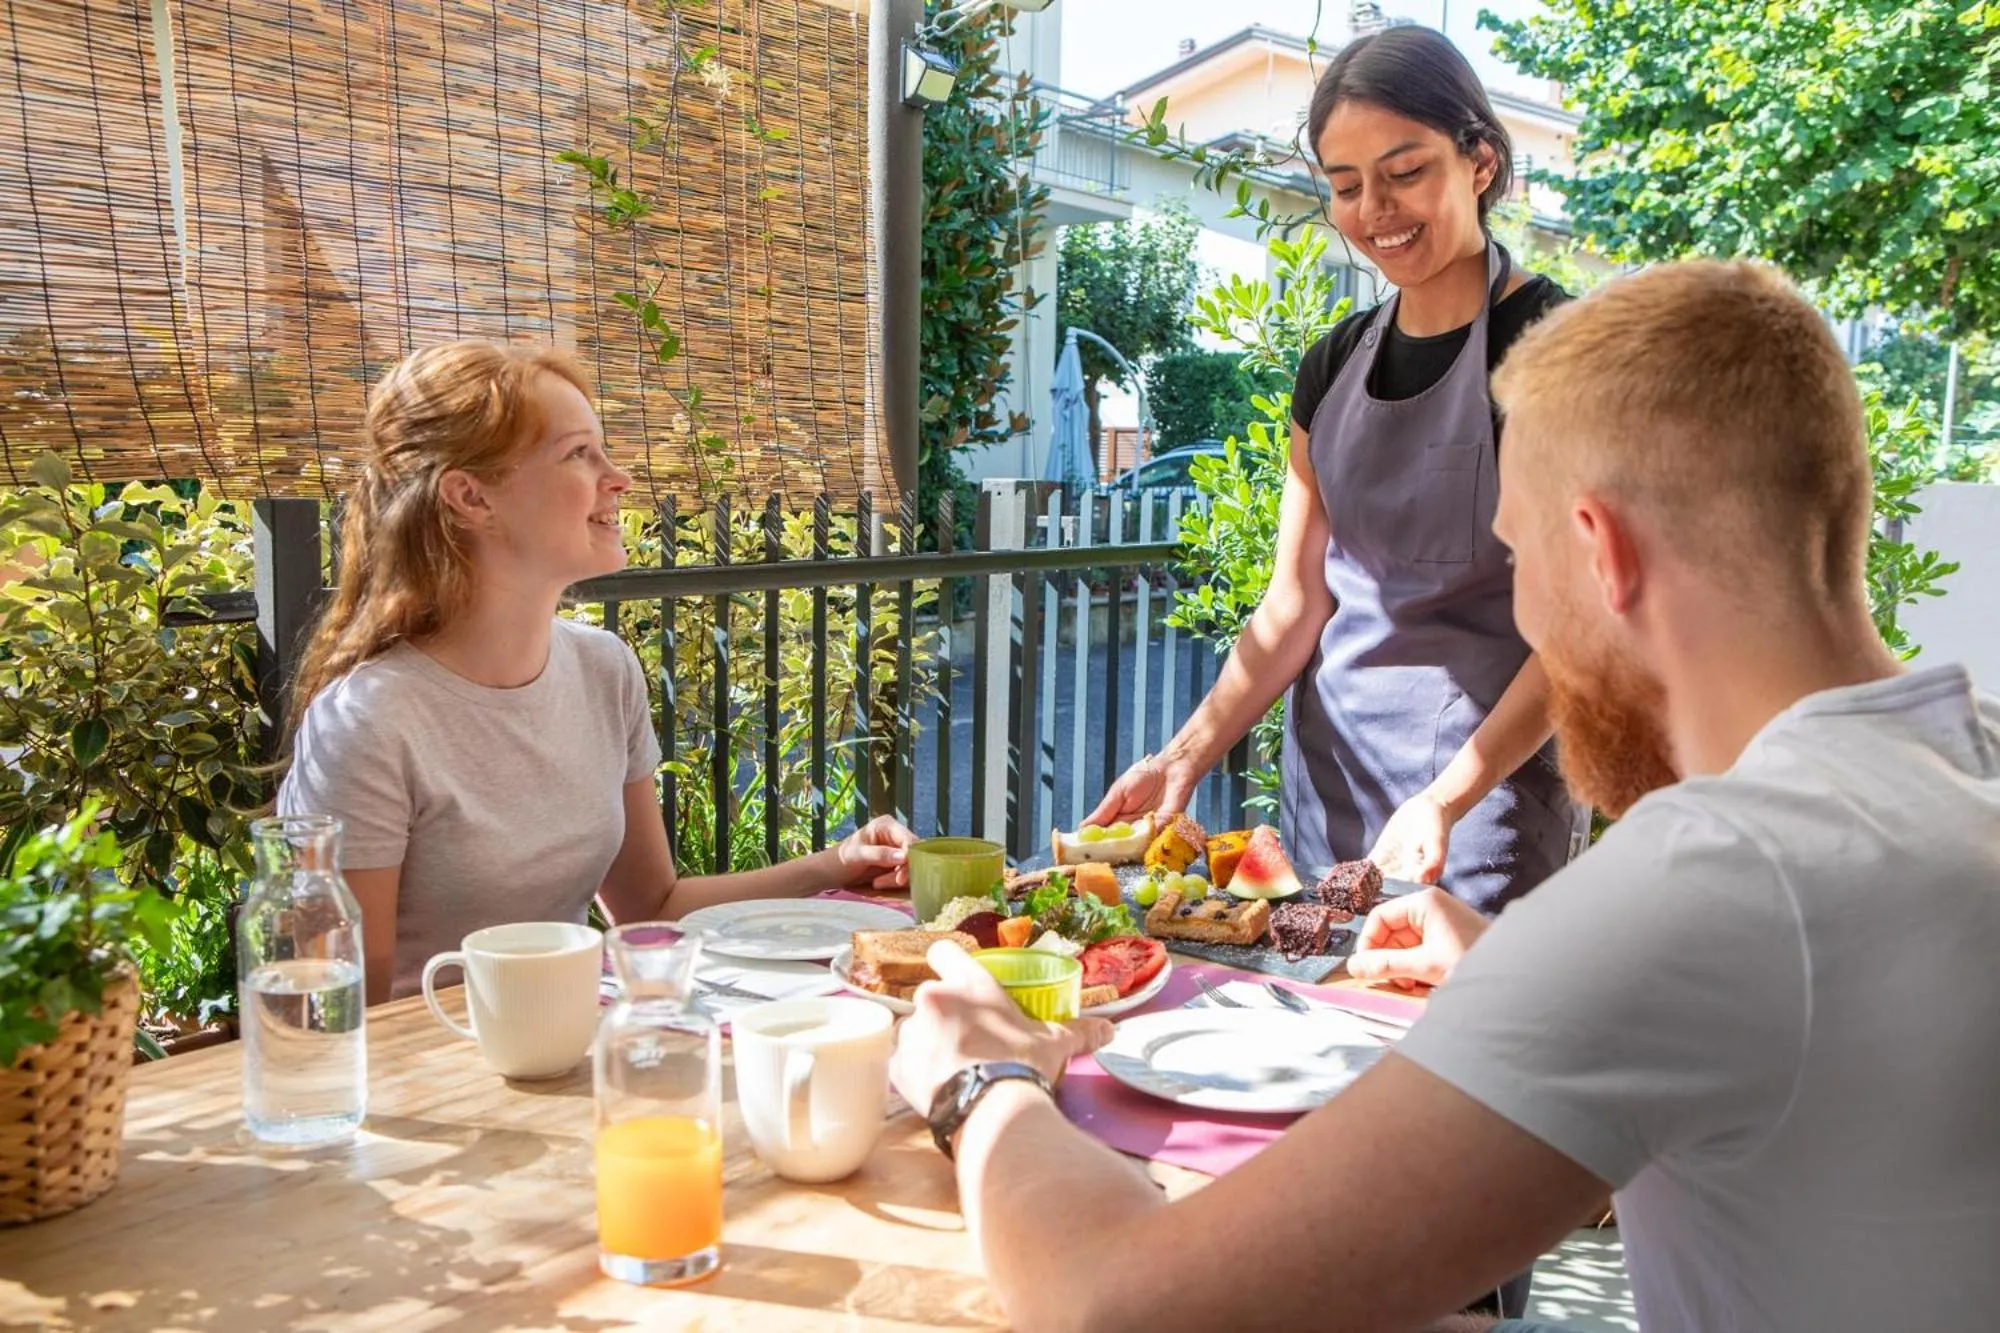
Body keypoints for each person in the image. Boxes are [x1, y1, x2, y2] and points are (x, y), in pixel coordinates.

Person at [888, 259, 2000, 1332]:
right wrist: (1524, 975)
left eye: (1510, 557)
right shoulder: (1963, 760)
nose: (1517, 609)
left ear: (1598, 552)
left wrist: (977, 1083)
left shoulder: (1712, 880)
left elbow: (1113, 1302)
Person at [1088, 26, 1588, 915]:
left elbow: (1578, 628)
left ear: (1478, 161)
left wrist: (1448, 798)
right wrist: (1185, 753)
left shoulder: (1558, 350)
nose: (1375, 212)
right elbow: (1296, 601)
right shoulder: (1332, 364)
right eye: (1346, 186)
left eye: (1405, 173)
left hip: (1484, 808)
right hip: (1327, 796)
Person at [278, 341, 915, 1004]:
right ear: (471, 496)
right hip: (438, 1080)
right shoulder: (368, 722)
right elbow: (344, 1010)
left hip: (566, 1042)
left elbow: (652, 907)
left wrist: (835, 864)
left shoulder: (603, 669)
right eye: (579, 453)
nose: (619, 478)